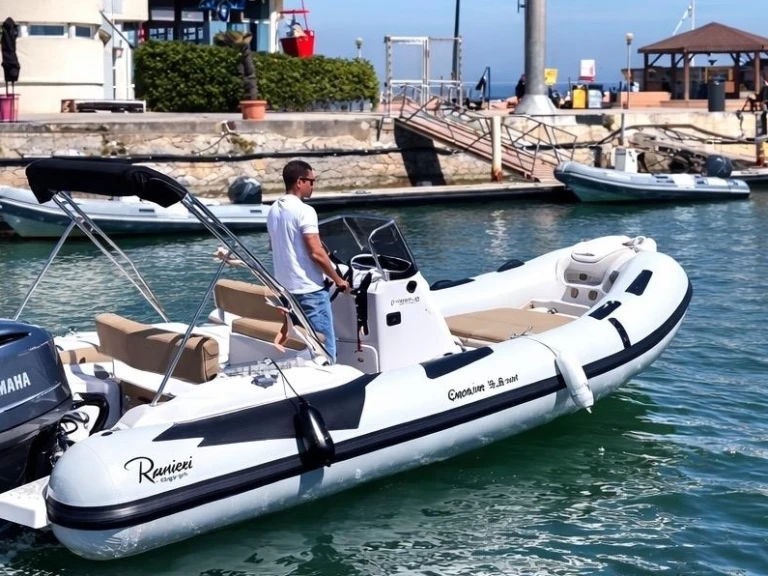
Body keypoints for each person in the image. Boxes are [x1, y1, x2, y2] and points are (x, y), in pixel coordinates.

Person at [267, 160, 349, 363]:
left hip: (287, 290)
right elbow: (316, 253)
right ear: (299, 182)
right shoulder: (305, 211)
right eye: (311, 181)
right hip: (309, 290)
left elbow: (281, 246)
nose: (313, 185)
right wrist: (339, 280)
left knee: (305, 343)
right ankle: (331, 384)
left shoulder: (274, 210)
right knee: (325, 349)